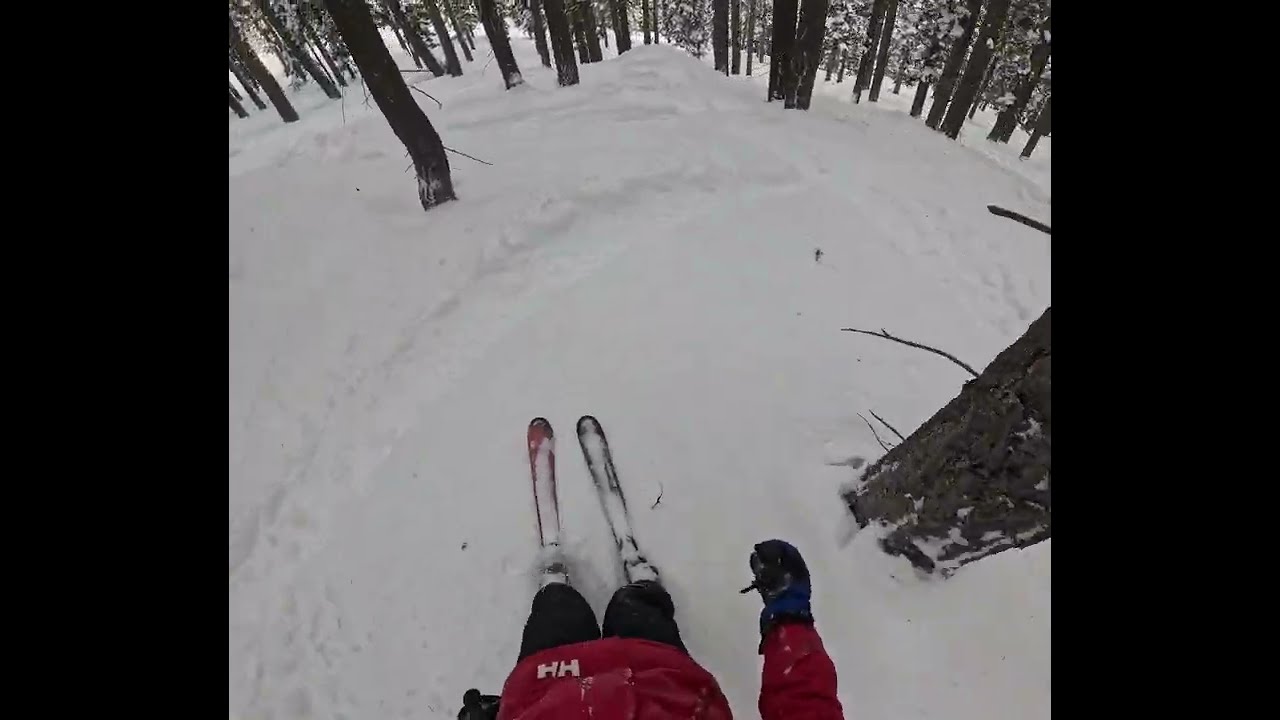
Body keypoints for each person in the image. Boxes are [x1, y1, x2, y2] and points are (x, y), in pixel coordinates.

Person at [458, 539, 845, 720]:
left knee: (558, 608)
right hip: (662, 675)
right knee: (636, 605)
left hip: (545, 682)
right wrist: (789, 620)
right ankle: (639, 585)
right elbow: (806, 710)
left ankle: (558, 587)